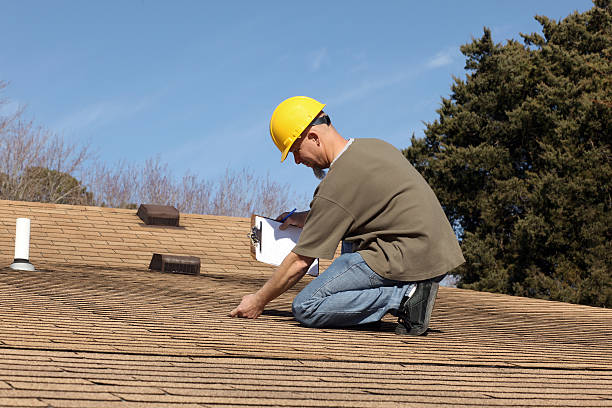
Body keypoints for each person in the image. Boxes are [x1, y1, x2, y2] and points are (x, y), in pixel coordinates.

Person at [230, 96, 464, 335]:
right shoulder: (373, 147)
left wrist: (258, 300)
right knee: (349, 235)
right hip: (432, 252)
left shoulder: (337, 183)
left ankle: (405, 298)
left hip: (407, 257)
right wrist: (304, 218)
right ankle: (367, 312)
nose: (298, 161)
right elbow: (355, 207)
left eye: (295, 151)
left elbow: (300, 261)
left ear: (313, 137)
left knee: (306, 306)